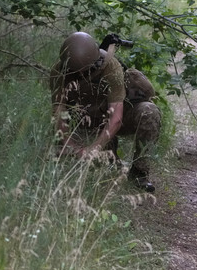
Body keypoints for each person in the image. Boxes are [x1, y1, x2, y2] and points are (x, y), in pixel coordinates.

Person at [50, 31, 161, 192]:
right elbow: (59, 114)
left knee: (149, 111)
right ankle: (110, 156)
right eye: (76, 72)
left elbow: (116, 117)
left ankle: (139, 173)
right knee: (87, 169)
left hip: (116, 118)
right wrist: (72, 146)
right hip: (86, 121)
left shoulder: (110, 65)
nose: (81, 75)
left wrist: (93, 149)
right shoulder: (59, 72)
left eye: (85, 71)